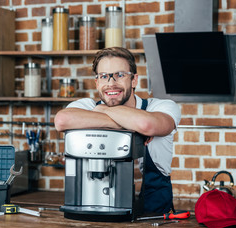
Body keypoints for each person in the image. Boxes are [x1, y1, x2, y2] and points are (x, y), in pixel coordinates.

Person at [54, 47, 181, 214]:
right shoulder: (86, 106)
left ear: (134, 80)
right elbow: (62, 120)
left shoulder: (160, 107)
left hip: (153, 218)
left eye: (120, 75)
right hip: (95, 211)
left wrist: (102, 111)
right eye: (104, 76)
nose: (111, 83)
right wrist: (130, 123)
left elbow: (146, 125)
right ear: (97, 82)